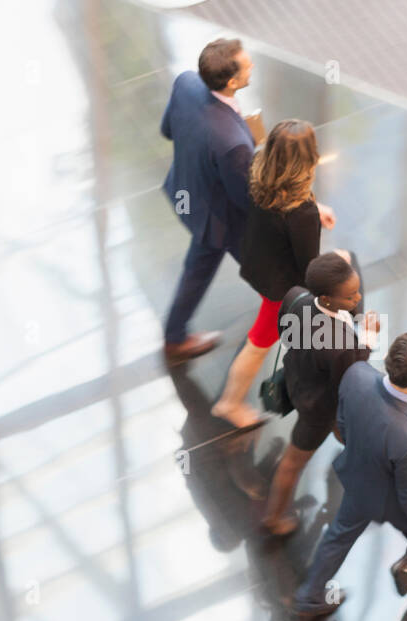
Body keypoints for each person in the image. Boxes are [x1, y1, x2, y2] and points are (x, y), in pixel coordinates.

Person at [291, 332, 407, 620]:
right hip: (380, 496)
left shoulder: (356, 374)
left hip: (356, 475)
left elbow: (342, 422)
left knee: (341, 535)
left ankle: (309, 598)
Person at [212, 119, 336, 429]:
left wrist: (313, 205)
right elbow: (309, 266)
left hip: (259, 264)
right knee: (258, 345)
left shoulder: (259, 167)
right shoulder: (301, 214)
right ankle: (229, 404)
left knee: (268, 337)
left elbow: (284, 203)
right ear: (309, 158)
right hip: (281, 288)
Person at [158, 38, 259, 364]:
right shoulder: (233, 143)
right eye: (247, 65)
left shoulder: (186, 82)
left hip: (186, 192)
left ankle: (175, 336)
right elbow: (245, 200)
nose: (252, 65)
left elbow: (167, 130)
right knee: (267, 267)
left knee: (200, 265)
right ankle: (174, 340)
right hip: (216, 218)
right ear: (231, 82)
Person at [261, 252, 375, 534]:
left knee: (346, 428)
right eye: (350, 297)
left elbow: (286, 334)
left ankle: (354, 446)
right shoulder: (338, 344)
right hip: (319, 407)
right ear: (326, 299)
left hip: (298, 380)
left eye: (357, 290)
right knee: (293, 462)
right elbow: (354, 374)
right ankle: (274, 518)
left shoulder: (296, 296)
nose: (358, 299)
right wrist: (369, 338)